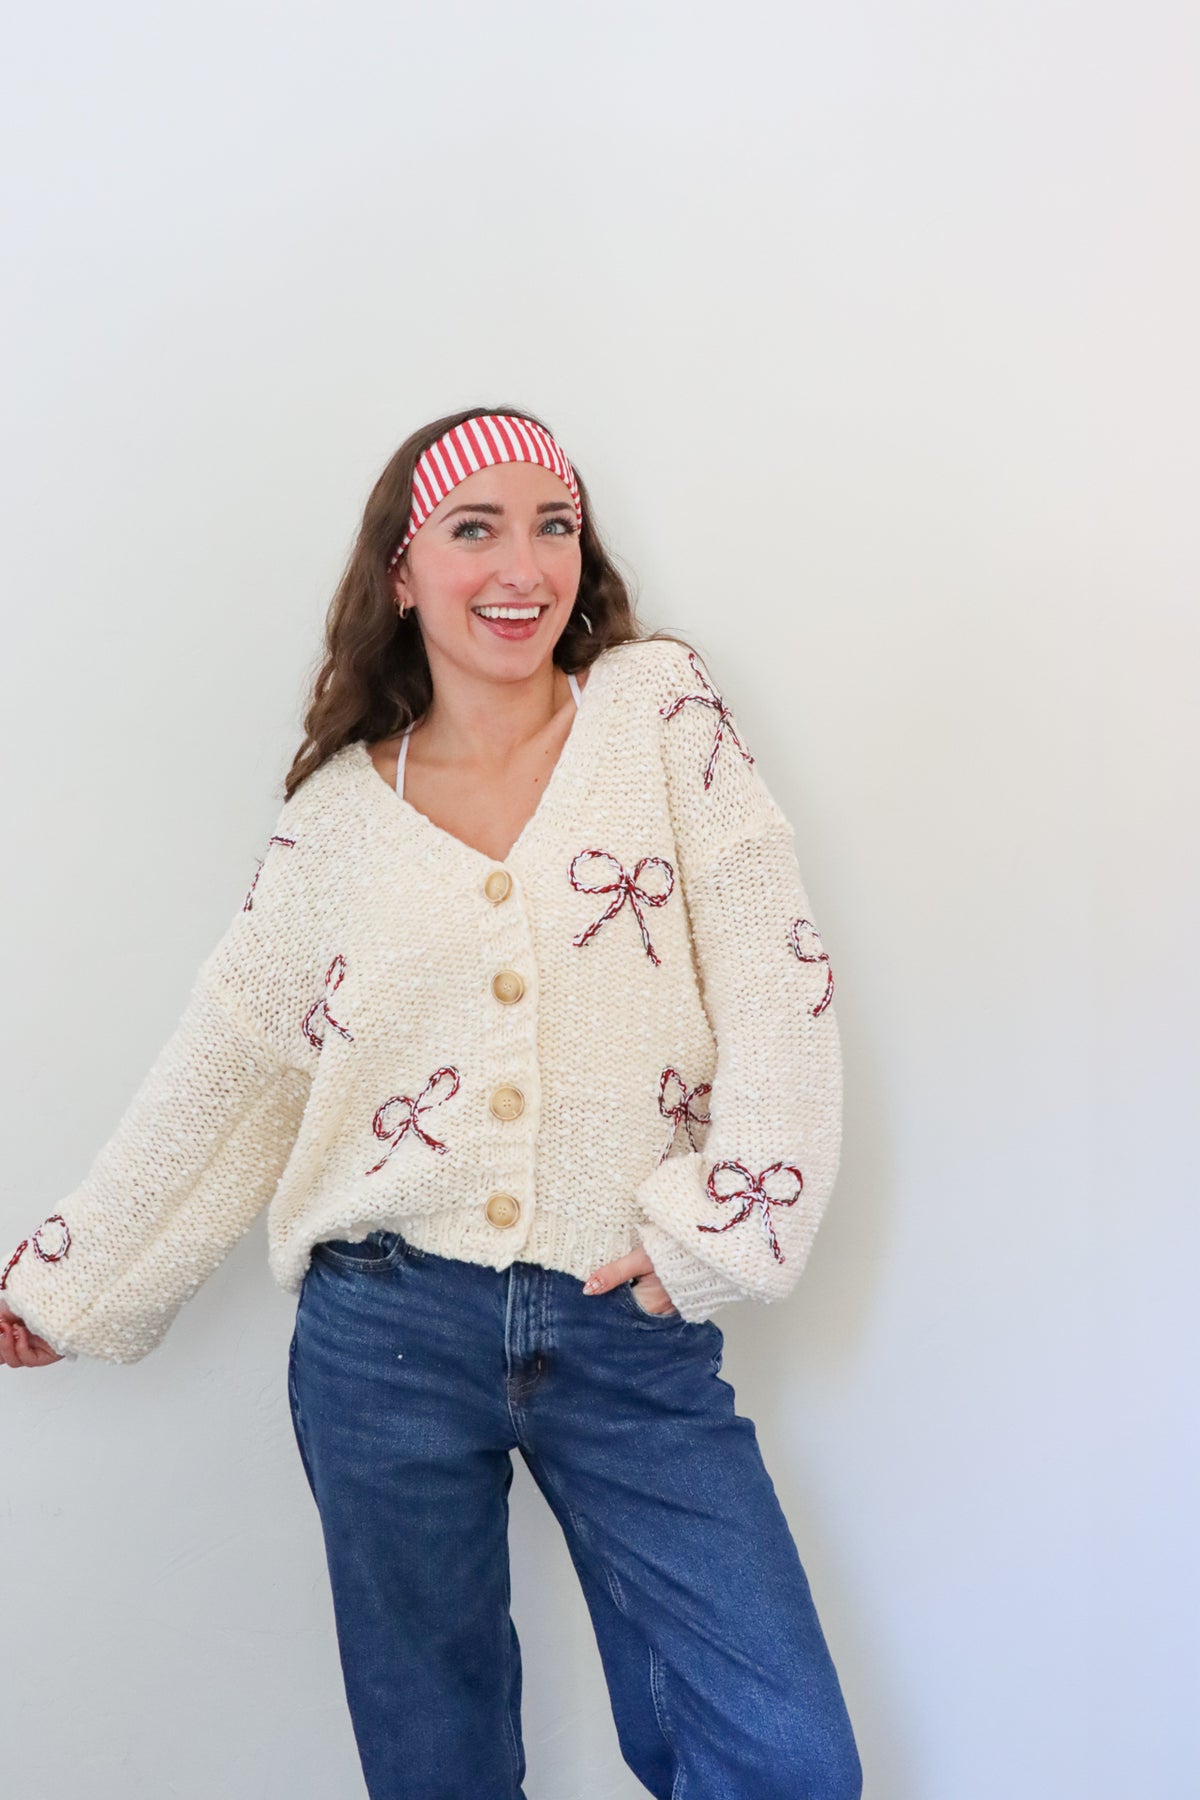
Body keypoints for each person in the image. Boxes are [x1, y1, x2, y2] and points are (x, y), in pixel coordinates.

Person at [1, 406, 863, 1799]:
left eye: (554, 527)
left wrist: (718, 1223)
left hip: (619, 1319)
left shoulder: (655, 709)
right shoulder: (338, 816)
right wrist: (74, 1279)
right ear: (402, 574)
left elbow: (777, 969)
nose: (523, 566)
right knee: (438, 1769)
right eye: (475, 530)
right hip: (384, 1337)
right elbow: (233, 1067)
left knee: (784, 1758)